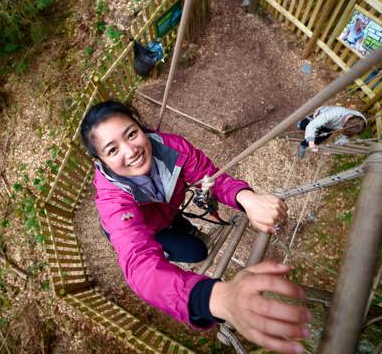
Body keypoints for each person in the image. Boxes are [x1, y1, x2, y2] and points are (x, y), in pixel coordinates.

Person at [81, 100, 312, 354]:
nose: (130, 150)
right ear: (100, 160)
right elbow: (140, 265)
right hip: (146, 228)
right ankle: (171, 242)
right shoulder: (113, 200)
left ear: (140, 127)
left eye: (132, 134)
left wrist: (247, 198)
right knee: (196, 252)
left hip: (167, 211)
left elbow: (209, 176)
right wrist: (214, 298)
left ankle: (179, 229)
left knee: (185, 230)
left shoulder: (171, 148)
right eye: (112, 150)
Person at [297, 105, 367, 158]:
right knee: (304, 126)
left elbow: (345, 138)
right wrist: (311, 144)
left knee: (318, 139)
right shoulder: (335, 113)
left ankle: (303, 146)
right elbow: (313, 125)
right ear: (345, 124)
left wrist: (331, 149)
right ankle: (301, 124)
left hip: (330, 127)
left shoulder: (361, 123)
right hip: (319, 117)